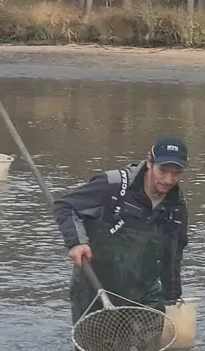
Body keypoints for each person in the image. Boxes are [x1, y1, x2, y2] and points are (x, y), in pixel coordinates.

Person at [53, 137, 191, 332]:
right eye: (163, 171)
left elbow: (174, 254)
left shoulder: (176, 206)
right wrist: (76, 242)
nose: (169, 180)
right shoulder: (113, 185)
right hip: (95, 290)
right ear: (149, 163)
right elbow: (66, 206)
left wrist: (172, 296)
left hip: (145, 297)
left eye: (176, 173)